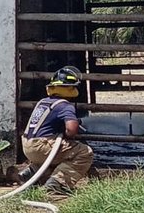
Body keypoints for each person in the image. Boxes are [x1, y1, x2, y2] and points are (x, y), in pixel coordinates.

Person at [21, 66, 93, 197]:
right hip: (41, 146)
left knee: (60, 154)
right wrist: (70, 131)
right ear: (71, 88)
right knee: (84, 152)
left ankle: (33, 173)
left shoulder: (43, 102)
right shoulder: (65, 105)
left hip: (27, 145)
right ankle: (58, 184)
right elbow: (72, 130)